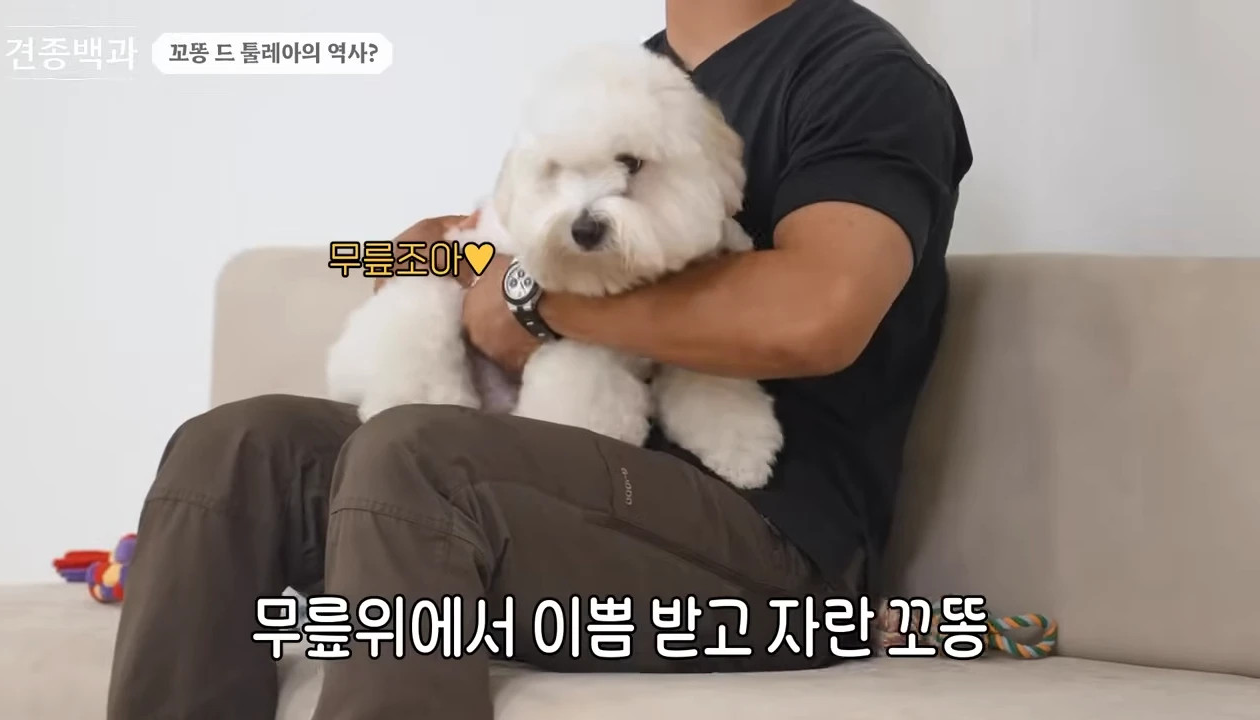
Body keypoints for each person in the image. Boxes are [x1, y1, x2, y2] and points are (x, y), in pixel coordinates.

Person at [106, 0, 972, 718]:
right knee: (233, 448)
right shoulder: (623, 80)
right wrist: (424, 258)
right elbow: (522, 252)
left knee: (419, 458)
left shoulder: (865, 76)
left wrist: (532, 300)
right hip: (575, 490)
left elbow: (817, 315)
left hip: (770, 544)